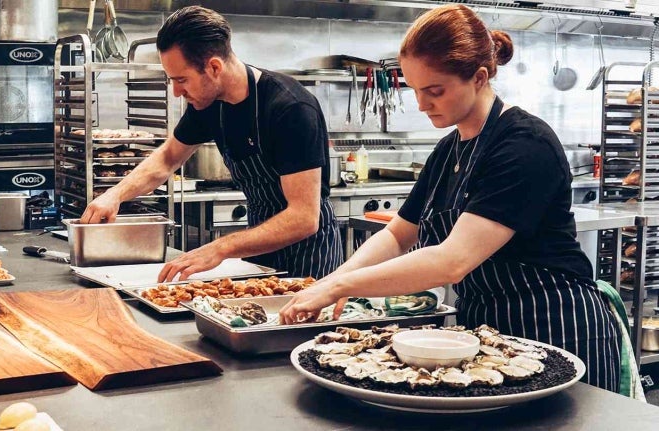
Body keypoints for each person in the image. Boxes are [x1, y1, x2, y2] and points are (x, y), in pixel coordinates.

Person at [279, 4, 621, 392]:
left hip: (556, 325)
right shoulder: (448, 150)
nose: (422, 105)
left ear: (478, 77)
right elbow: (396, 236)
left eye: (434, 91)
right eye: (415, 90)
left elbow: (452, 261)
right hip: (487, 335)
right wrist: (333, 280)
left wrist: (342, 287)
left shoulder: (525, 145)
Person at [80, 6, 343, 282]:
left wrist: (220, 248)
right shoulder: (209, 105)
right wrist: (115, 195)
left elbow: (303, 217)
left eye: (182, 80)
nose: (177, 92)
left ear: (214, 67)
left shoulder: (290, 108)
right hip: (258, 248)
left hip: (310, 258)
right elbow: (168, 158)